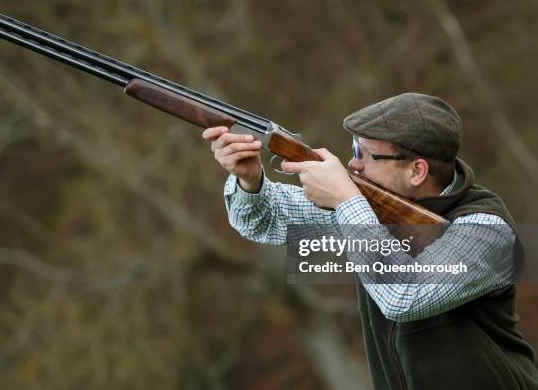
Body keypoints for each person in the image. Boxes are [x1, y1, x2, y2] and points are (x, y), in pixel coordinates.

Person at [202, 93, 538, 390]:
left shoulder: (486, 230)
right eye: (353, 150)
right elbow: (264, 221)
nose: (352, 164)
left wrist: (347, 203)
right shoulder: (373, 209)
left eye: (366, 155)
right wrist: (249, 178)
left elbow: (404, 295)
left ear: (417, 171)